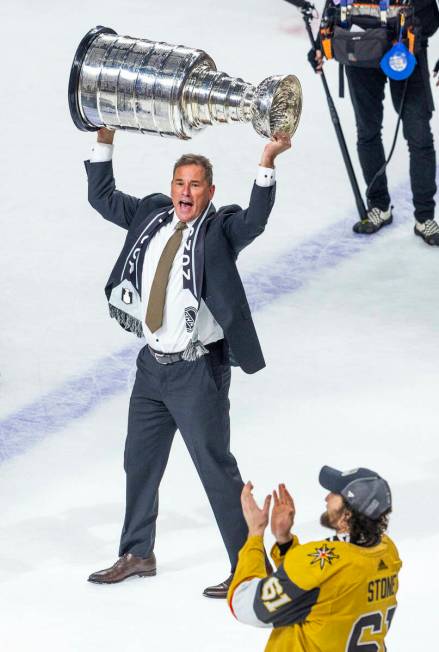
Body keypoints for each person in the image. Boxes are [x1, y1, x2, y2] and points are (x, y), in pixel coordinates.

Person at [84, 126, 291, 597]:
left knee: (215, 468)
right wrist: (104, 138)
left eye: (195, 184)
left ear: (210, 192)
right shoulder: (151, 215)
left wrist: (268, 160)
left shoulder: (220, 230)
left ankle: (249, 566)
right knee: (139, 462)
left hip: (198, 372)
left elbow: (255, 220)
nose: (185, 191)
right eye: (180, 183)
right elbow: (102, 198)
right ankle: (138, 552)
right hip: (151, 369)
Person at [228, 466, 401, 651]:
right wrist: (284, 540)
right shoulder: (388, 552)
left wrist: (255, 534)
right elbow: (319, 593)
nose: (326, 498)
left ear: (347, 515)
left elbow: (243, 604)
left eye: (335, 494)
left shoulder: (322, 566)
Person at [312, 0, 439, 246]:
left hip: (405, 47)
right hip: (359, 47)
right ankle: (379, 206)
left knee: (419, 135)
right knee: (367, 132)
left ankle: (425, 217)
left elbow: (431, 19)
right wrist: (320, 42)